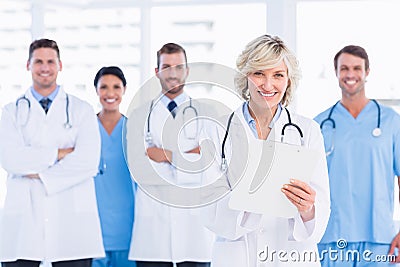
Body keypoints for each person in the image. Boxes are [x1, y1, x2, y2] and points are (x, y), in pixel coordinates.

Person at [200, 34, 331, 267]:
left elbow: (320, 208)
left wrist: (308, 209)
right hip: (236, 257)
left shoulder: (307, 131)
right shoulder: (217, 131)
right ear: (246, 76)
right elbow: (209, 209)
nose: (268, 85)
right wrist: (252, 201)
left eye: (278, 75)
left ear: (288, 80)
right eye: (259, 73)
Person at [0, 38, 104, 266]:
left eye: (50, 61)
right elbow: (11, 159)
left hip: (72, 228)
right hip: (24, 227)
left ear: (60, 65)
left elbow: (87, 162)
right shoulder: (10, 113)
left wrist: (38, 172)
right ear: (28, 65)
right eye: (38, 61)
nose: (44, 68)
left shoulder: (82, 110)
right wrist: (59, 153)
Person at [127, 43, 215, 267]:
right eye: (166, 67)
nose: (173, 73)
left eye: (178, 67)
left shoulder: (206, 114)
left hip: (194, 232)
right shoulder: (139, 116)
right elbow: (140, 172)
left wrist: (166, 156)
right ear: (156, 72)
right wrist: (188, 159)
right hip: (152, 236)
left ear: (187, 71)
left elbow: (207, 168)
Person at [314, 45, 400, 266]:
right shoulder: (319, 124)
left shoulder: (391, 121)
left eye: (356, 68)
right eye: (344, 68)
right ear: (336, 73)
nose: (350, 74)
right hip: (332, 236)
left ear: (367, 72)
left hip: (379, 237)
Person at [92, 66, 136, 267]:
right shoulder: (86, 129)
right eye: (104, 87)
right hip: (92, 225)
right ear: (96, 90)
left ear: (124, 90)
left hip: (127, 227)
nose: (110, 93)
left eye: (116, 87)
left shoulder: (133, 130)